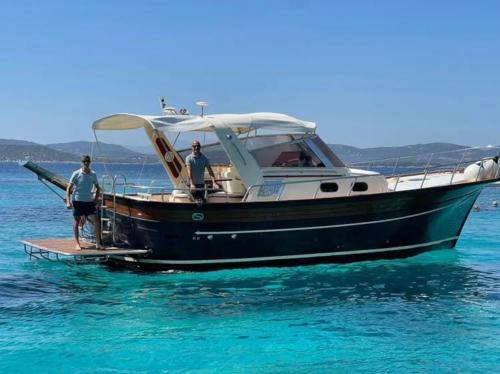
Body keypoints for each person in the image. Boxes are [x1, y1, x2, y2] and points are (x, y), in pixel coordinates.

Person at [66, 155, 102, 250]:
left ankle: (98, 243)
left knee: (96, 221)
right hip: (77, 201)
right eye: (84, 161)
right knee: (77, 221)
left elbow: (98, 187)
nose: (86, 163)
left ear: (90, 162)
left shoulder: (93, 174)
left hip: (89, 201)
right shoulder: (76, 173)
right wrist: (68, 202)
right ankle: (77, 243)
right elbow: (69, 188)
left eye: (88, 161)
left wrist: (95, 199)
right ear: (81, 162)